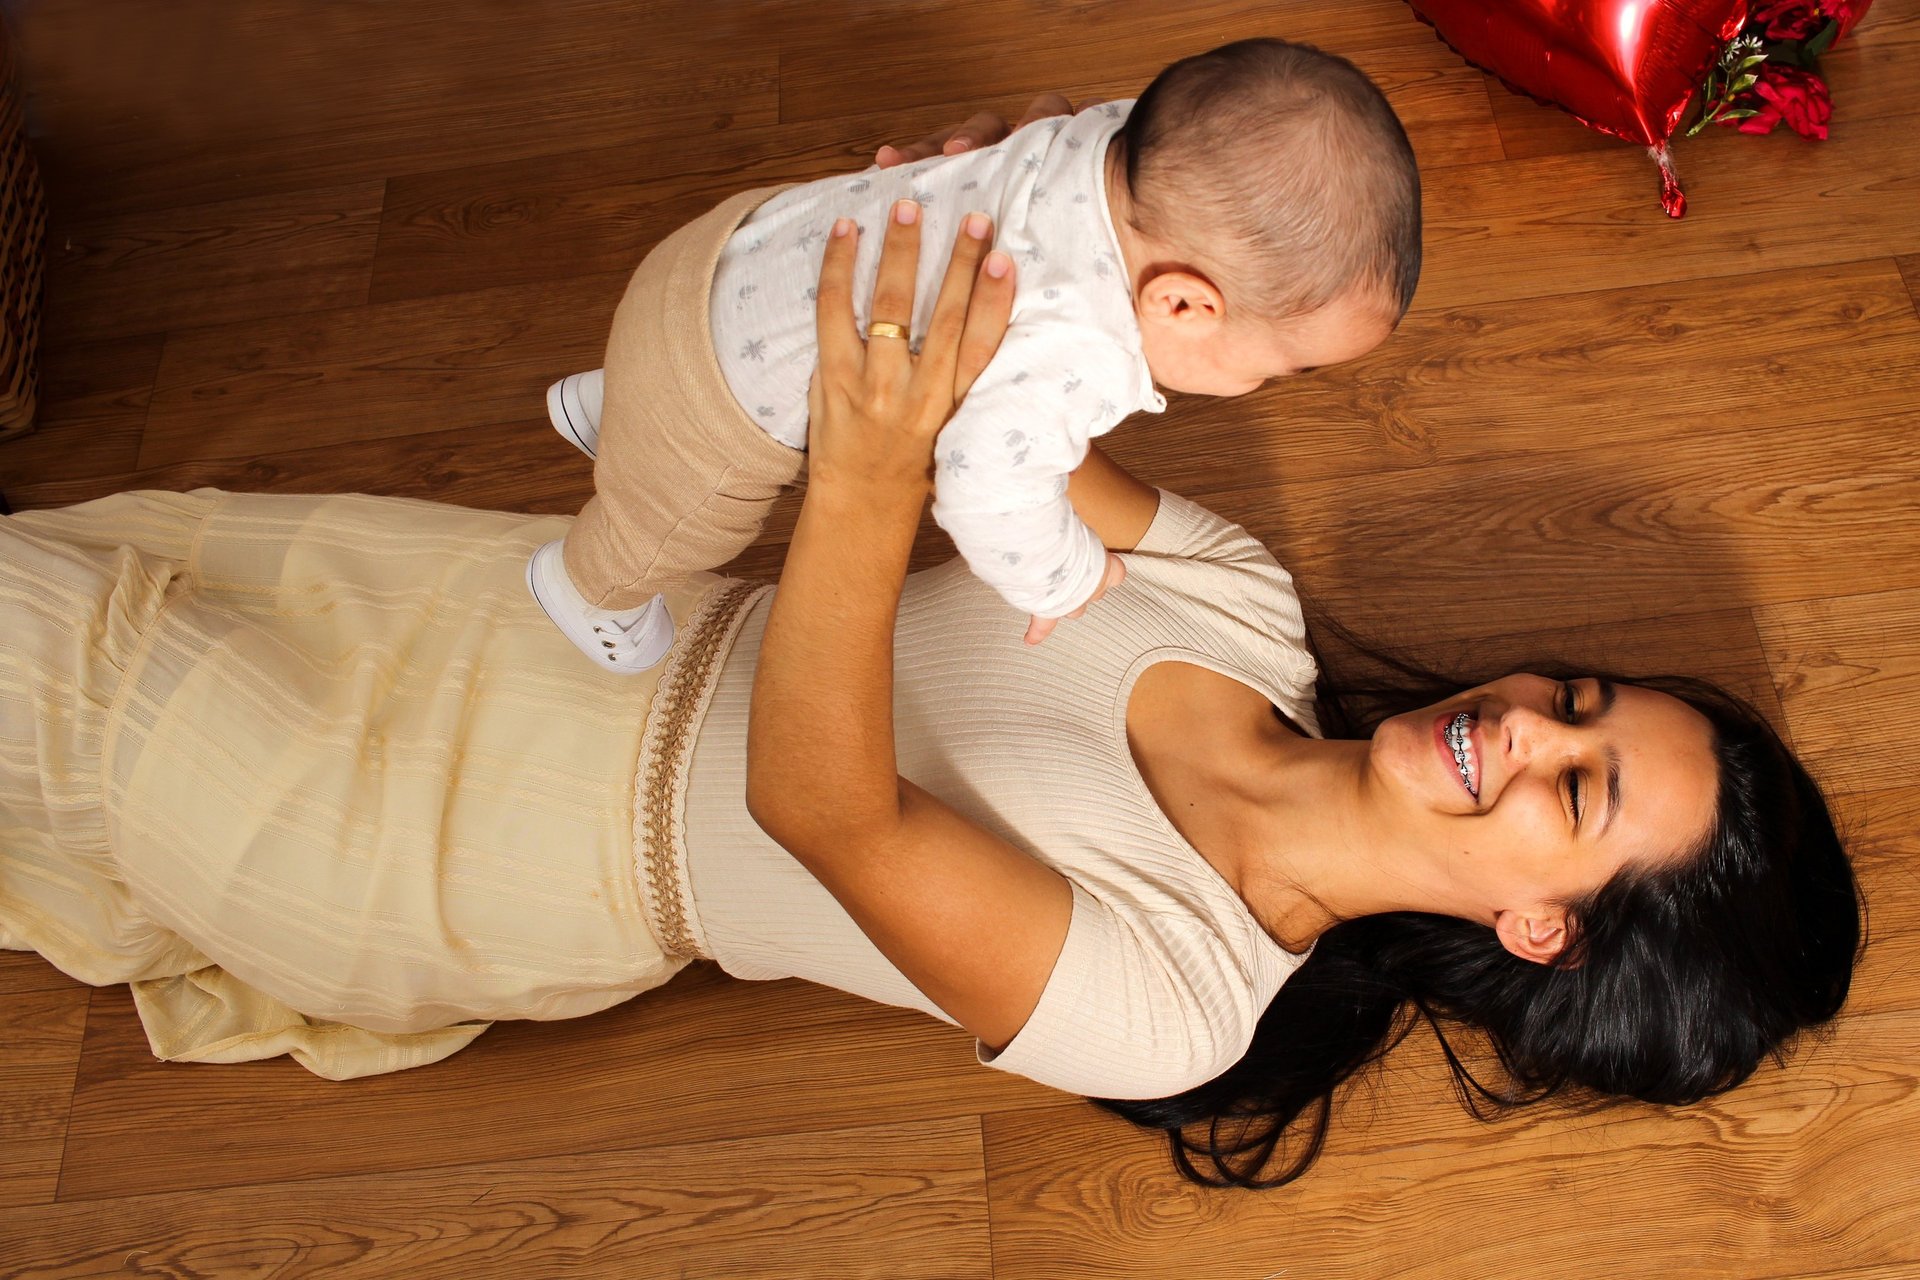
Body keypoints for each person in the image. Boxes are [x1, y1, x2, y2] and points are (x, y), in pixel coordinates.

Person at [0, 164, 1858, 1191]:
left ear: (1540, 930)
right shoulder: (1240, 610)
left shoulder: (1184, 1007)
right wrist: (1000, 232)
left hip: (484, 853)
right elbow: (995, 412)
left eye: (1573, 792)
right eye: (1580, 702)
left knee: (47, 652)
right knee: (92, 558)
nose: (1522, 725)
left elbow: (821, 811)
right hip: (526, 605)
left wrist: (867, 477)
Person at [528, 37, 1421, 672]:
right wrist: (1069, 577)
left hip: (730, 249)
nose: (1261, 386)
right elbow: (988, 488)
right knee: (678, 525)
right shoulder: (1081, 344)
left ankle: (614, 406)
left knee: (673, 402)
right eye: (1275, 368)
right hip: (718, 400)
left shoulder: (1103, 143)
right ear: (1182, 304)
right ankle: (585, 589)